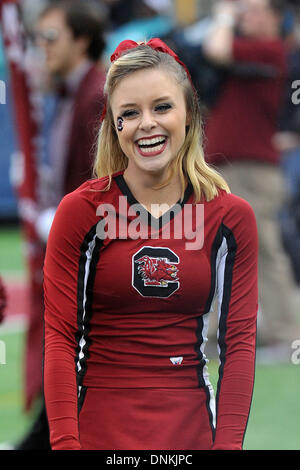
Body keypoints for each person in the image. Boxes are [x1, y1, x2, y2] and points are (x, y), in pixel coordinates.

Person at [43, 38, 258, 450]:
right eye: (129, 113)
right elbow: (58, 339)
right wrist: (66, 445)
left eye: (162, 107)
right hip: (98, 434)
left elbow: (240, 344)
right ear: (114, 126)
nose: (147, 124)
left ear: (190, 114)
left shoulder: (231, 218)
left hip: (192, 433)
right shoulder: (80, 212)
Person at [15, 0, 106, 450]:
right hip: (79, 240)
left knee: (75, 346)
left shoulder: (96, 94)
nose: (42, 47)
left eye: (50, 37)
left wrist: (67, 219)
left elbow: (101, 175)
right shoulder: (67, 91)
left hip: (98, 245)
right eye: (38, 38)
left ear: (81, 39)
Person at [202, 0, 300, 352]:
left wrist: (225, 17)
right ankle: (215, 330)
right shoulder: (251, 54)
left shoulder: (269, 49)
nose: (247, 15)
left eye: (256, 10)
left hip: (252, 169)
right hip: (228, 167)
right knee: (215, 251)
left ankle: (285, 331)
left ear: (277, 19)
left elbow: (216, 46)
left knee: (263, 249)